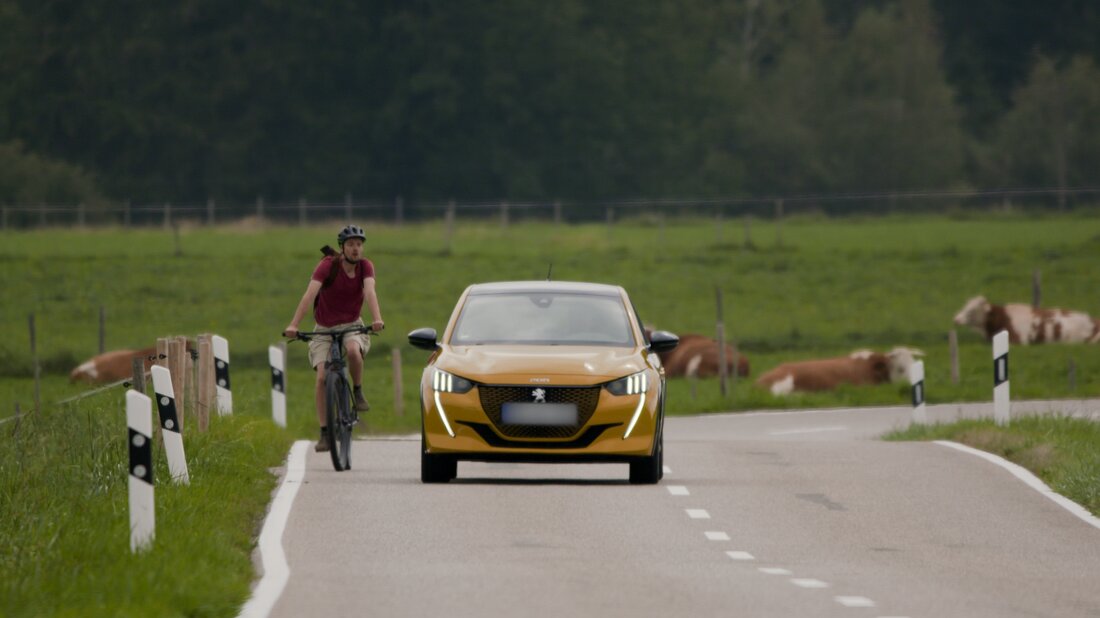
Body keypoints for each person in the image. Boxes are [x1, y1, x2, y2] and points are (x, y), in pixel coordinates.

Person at [283, 224, 384, 452]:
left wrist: (377, 318)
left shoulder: (366, 267)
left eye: (359, 244)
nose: (356, 249)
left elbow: (370, 292)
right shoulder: (327, 266)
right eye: (350, 245)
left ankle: (357, 390)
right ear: (342, 247)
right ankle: (325, 433)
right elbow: (309, 295)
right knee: (321, 378)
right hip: (324, 326)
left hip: (352, 323)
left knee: (352, 351)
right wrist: (294, 324)